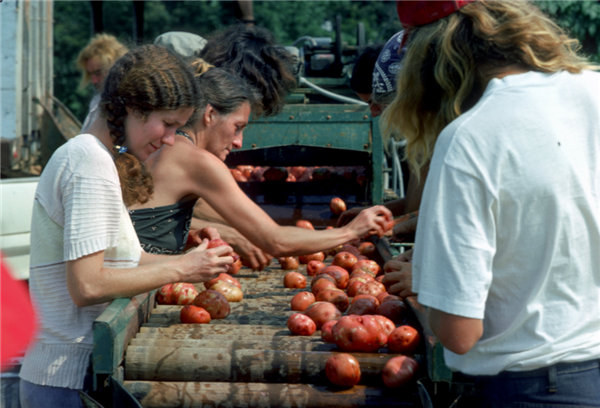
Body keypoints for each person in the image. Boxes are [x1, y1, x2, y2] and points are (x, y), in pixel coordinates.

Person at [384, 0, 600, 405]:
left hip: (531, 390)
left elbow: (459, 333)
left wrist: (428, 288)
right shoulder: (594, 90)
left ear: (430, 54)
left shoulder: (469, 137)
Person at [19, 45, 234, 408]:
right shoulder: (88, 163)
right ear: (132, 107)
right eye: (167, 124)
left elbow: (119, 263)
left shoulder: (92, 156)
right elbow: (87, 285)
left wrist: (189, 255)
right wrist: (182, 268)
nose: (169, 140)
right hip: (65, 381)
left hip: (69, 377)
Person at [129, 63, 393, 271]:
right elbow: (274, 241)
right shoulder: (197, 160)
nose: (238, 142)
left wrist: (189, 234)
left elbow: (147, 219)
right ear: (209, 115)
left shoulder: (163, 146)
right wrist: (351, 231)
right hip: (135, 285)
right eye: (238, 127)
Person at [338, 31, 424, 230]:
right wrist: (376, 212)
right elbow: (416, 203)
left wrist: (392, 225)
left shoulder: (441, 135)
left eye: (375, 102)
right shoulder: (419, 138)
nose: (374, 113)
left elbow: (444, 209)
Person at [76, 33, 129, 132]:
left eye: (98, 73)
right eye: (90, 74)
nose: (94, 81)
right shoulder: (98, 101)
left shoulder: (131, 102)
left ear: (116, 67)